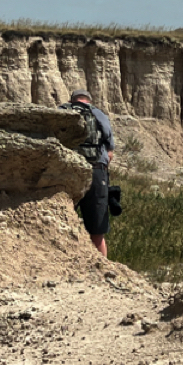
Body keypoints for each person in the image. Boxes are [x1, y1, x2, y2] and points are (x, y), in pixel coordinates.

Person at [70, 89, 115, 257]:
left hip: (68, 171)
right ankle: (102, 268)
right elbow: (109, 152)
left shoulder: (61, 111)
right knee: (97, 229)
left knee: (62, 221)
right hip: (96, 171)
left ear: (72, 100)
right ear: (89, 100)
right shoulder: (98, 114)